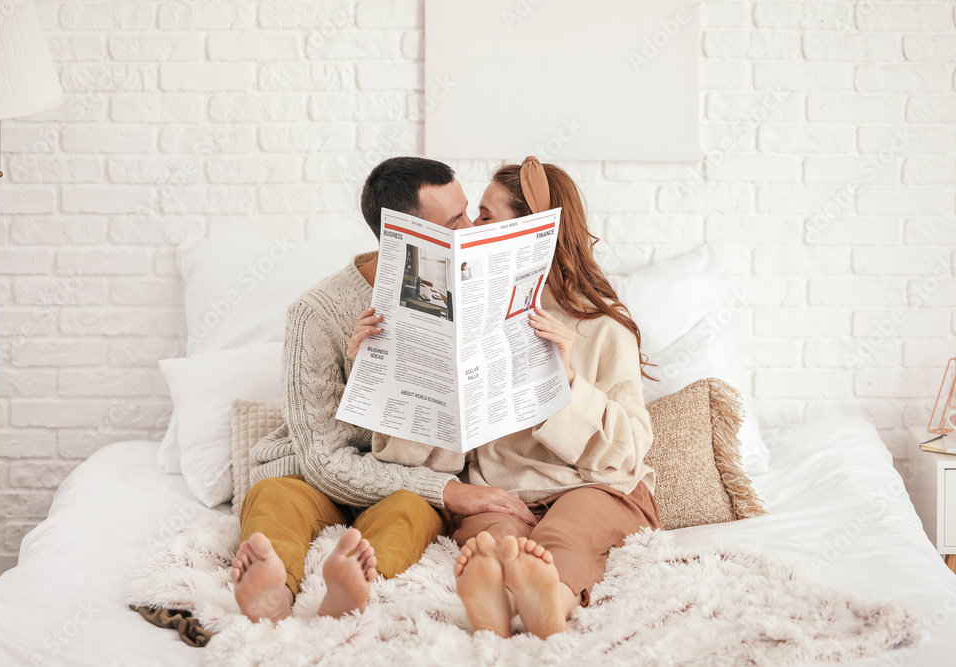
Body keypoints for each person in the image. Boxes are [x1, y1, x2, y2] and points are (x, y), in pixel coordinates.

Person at [231, 157, 538, 624]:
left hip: (404, 478)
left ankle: (352, 589)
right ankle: (272, 591)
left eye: (467, 212)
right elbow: (323, 460)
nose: (473, 228)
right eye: (455, 222)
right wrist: (368, 373)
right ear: (407, 238)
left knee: (410, 514)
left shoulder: (474, 293)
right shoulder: (316, 314)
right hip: (312, 478)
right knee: (274, 499)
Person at [365, 156, 661, 639]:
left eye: (485, 216)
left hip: (595, 487)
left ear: (529, 234)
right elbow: (423, 459)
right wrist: (390, 364)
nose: (470, 229)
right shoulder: (466, 320)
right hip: (505, 490)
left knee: (561, 536)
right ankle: (495, 602)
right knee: (494, 541)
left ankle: (551, 602)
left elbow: (628, 450)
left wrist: (563, 377)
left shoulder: (604, 328)